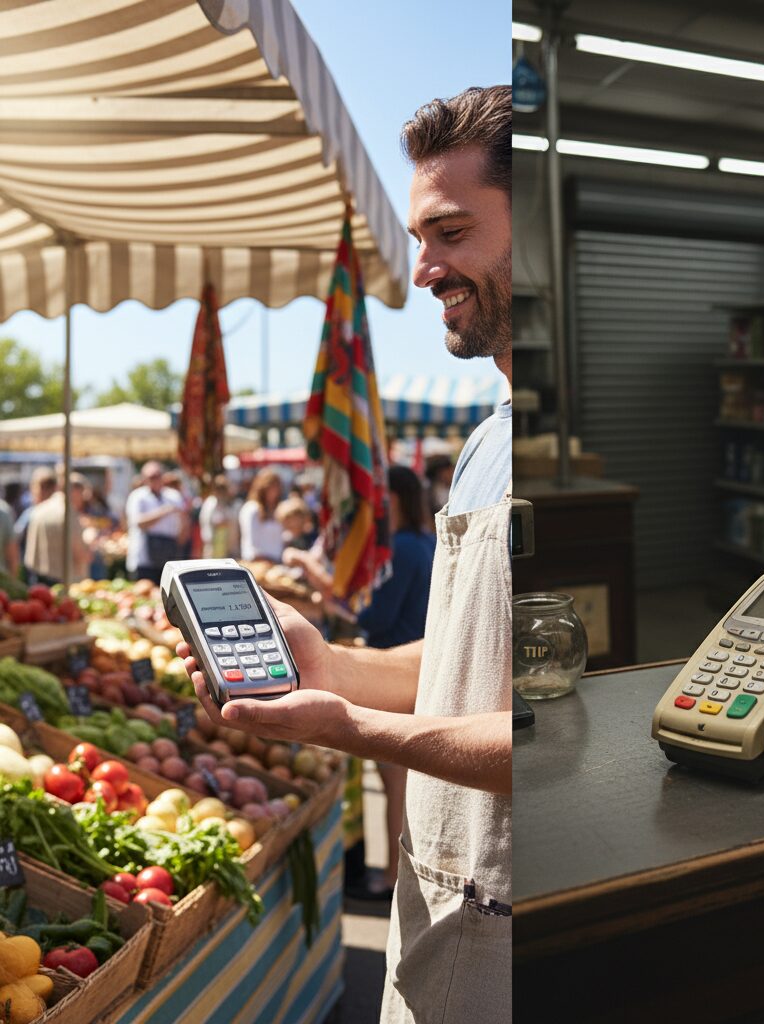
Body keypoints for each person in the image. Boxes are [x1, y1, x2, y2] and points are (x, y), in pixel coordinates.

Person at [179, 84, 512, 1024]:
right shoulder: (488, 440)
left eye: (450, 233)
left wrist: (348, 729)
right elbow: (452, 665)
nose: (424, 271)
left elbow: (553, 743)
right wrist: (331, 665)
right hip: (441, 919)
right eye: (419, 239)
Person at [286, 464, 436, 900]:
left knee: (396, 782)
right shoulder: (425, 542)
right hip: (411, 666)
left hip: (394, 667)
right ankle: (398, 873)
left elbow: (375, 616)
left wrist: (328, 596)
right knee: (403, 781)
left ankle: (392, 878)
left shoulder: (405, 548)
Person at [24, 472, 92, 584]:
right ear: (75, 492)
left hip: (37, 576)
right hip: (61, 580)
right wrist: (90, 540)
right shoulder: (67, 513)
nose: (83, 501)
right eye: (83, 495)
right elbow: (82, 555)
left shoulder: (40, 508)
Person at [125, 462, 187, 583]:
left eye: (157, 476)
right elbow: (139, 522)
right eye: (151, 477)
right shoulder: (138, 496)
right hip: (144, 559)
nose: (155, 480)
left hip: (168, 558)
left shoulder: (173, 496)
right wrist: (164, 512)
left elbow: (184, 522)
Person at [238, 469, 285, 562]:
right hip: (257, 564)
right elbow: (251, 544)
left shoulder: (277, 510)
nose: (275, 491)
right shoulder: (252, 509)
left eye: (277, 487)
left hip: (276, 562)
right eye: (272, 487)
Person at [198, 475, 240, 559]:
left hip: (230, 548)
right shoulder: (210, 503)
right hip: (213, 549)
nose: (222, 492)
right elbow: (207, 524)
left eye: (223, 489)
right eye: (219, 489)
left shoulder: (232, 504)